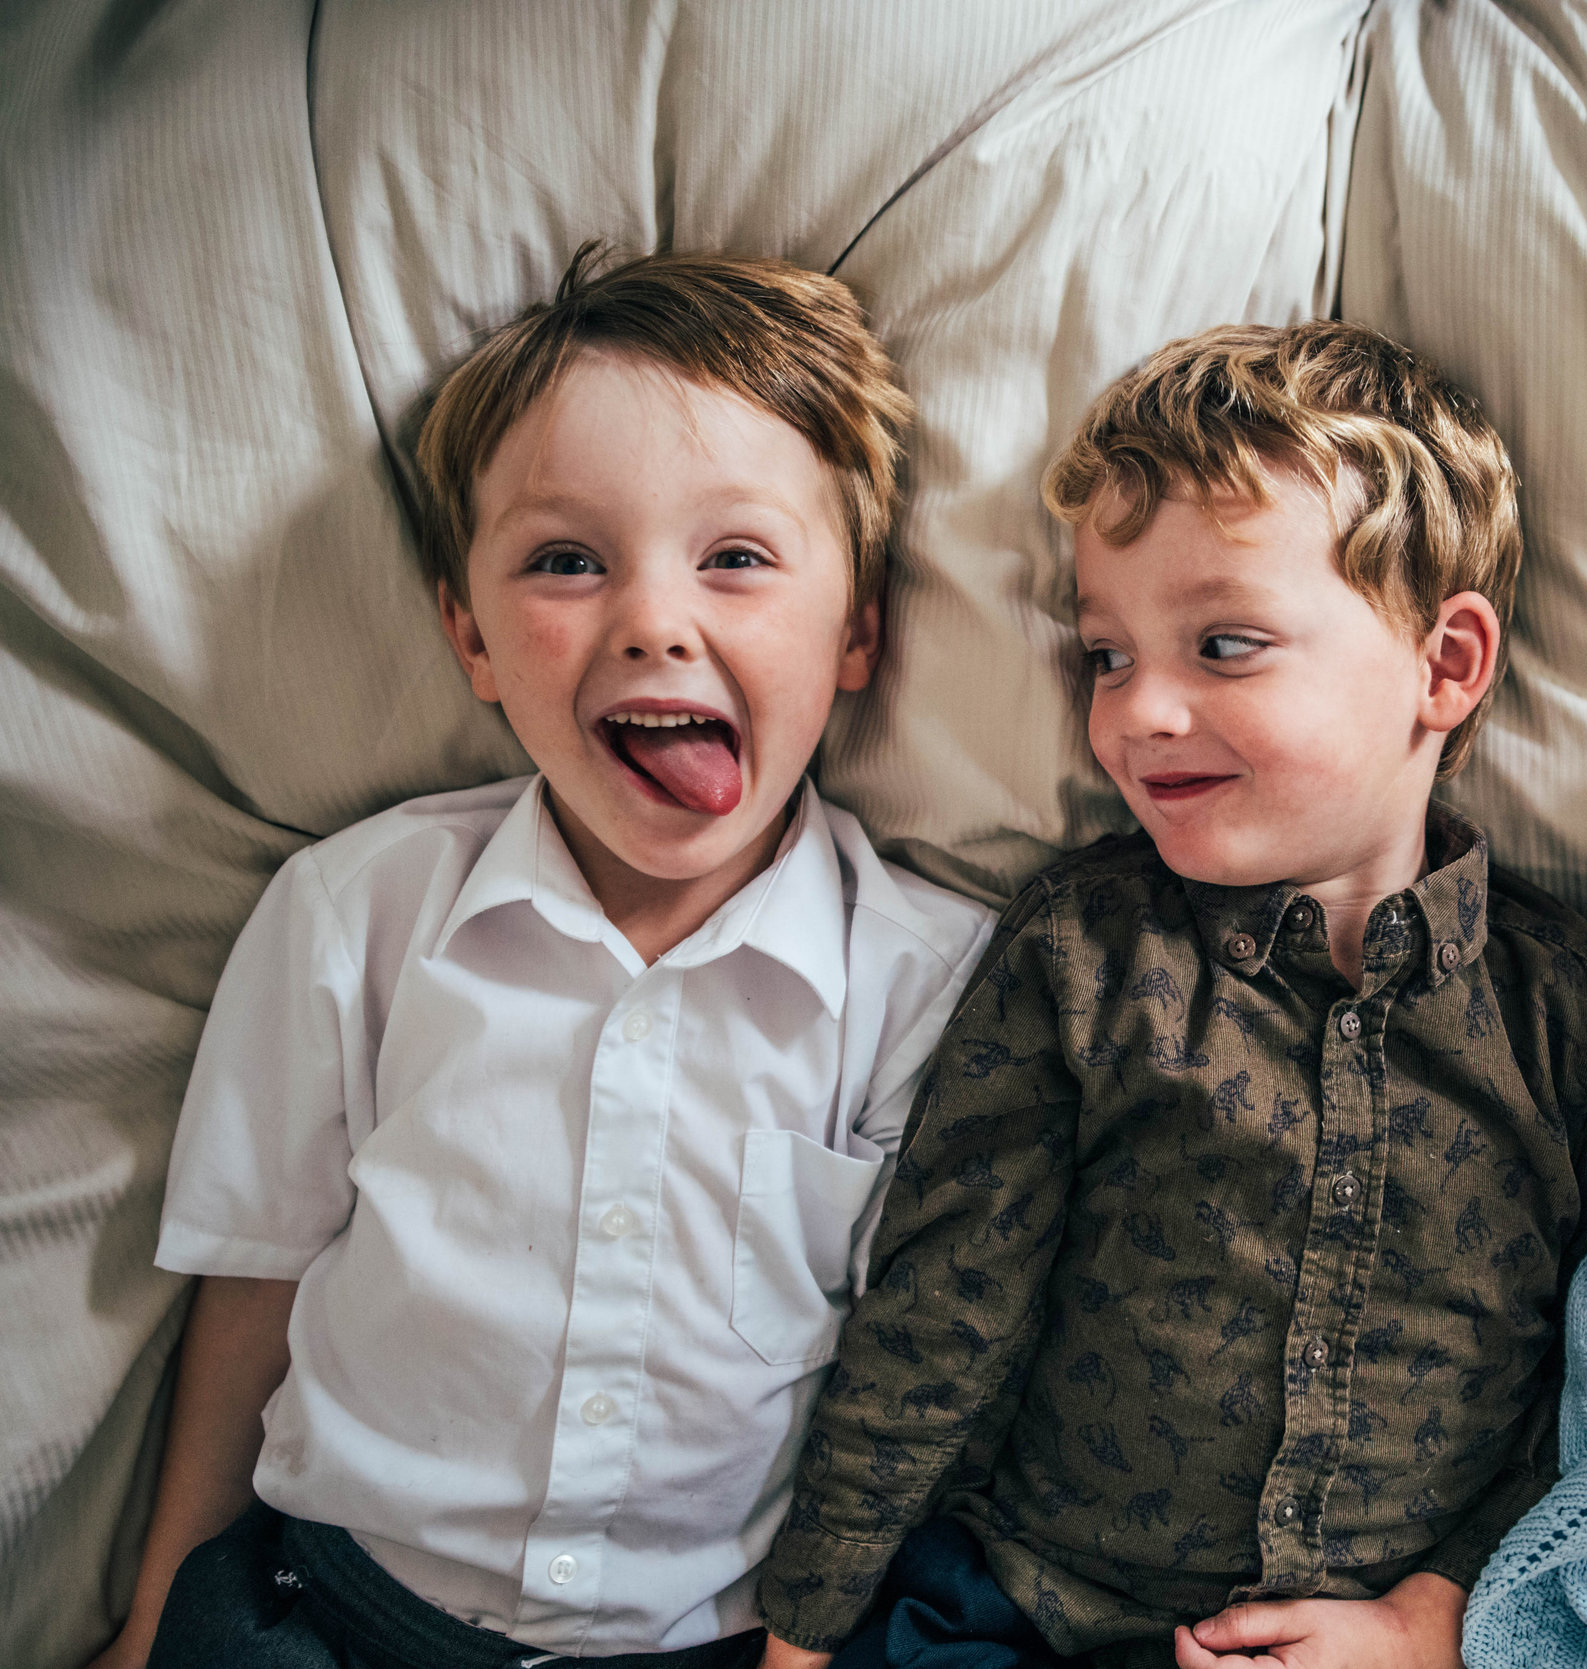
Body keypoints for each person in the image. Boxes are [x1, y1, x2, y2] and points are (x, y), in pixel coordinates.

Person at [92, 247, 997, 1668]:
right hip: (330, 1610)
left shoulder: (928, 984)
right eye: (566, 561)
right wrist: (151, 1622)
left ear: (859, 629)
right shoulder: (358, 915)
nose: (651, 618)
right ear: (470, 636)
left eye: (737, 559)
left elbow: (919, 1376)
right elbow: (254, 1286)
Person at [754, 322, 1587, 1669]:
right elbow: (943, 1304)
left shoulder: (1566, 1000)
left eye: (1224, 644)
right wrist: (803, 1635)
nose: (1139, 711)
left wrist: (1439, 1610)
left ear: (1446, 666)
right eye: (1106, 654)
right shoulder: (1087, 950)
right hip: (1035, 1608)